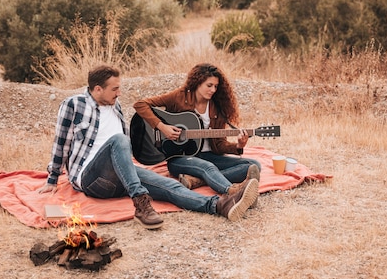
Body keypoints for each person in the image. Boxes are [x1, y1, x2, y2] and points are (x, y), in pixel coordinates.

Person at [37, 64, 259, 230]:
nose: (119, 93)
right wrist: (52, 179)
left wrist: (237, 146)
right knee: (119, 140)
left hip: (122, 175)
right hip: (91, 179)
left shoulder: (115, 108)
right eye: (115, 89)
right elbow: (61, 144)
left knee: (171, 188)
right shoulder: (74, 105)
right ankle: (141, 203)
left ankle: (220, 205)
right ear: (97, 89)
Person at [133, 63, 262, 198]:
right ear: (198, 82)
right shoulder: (179, 97)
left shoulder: (216, 108)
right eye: (209, 85)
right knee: (207, 168)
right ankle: (231, 191)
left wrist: (238, 145)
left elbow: (219, 145)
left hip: (209, 155)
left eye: (216, 86)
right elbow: (140, 104)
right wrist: (162, 127)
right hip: (180, 158)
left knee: (253, 165)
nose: (213, 90)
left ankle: (196, 181)